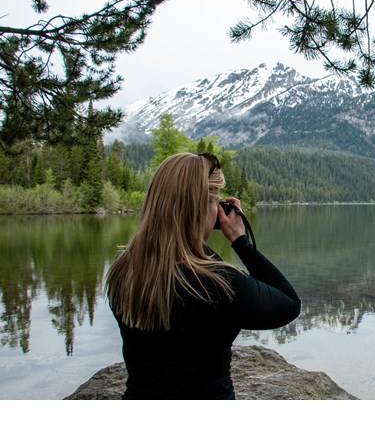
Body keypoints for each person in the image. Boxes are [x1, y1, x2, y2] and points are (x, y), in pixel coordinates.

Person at [105, 152, 301, 399]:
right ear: (199, 210)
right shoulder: (217, 283)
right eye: (215, 202)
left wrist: (195, 238)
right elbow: (289, 304)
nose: (218, 210)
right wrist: (240, 242)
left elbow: (181, 256)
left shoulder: (123, 270)